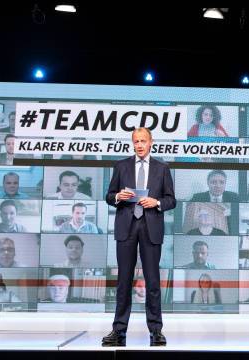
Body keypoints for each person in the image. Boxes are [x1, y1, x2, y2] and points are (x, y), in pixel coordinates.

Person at [103, 128, 176, 347]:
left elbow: (171, 200)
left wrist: (157, 203)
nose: (140, 145)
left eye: (143, 141)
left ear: (151, 142)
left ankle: (156, 331)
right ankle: (118, 330)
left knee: (153, 282)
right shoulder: (121, 166)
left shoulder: (162, 168)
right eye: (136, 141)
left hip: (150, 226)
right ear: (132, 143)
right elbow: (108, 196)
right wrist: (117, 196)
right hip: (126, 226)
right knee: (123, 281)